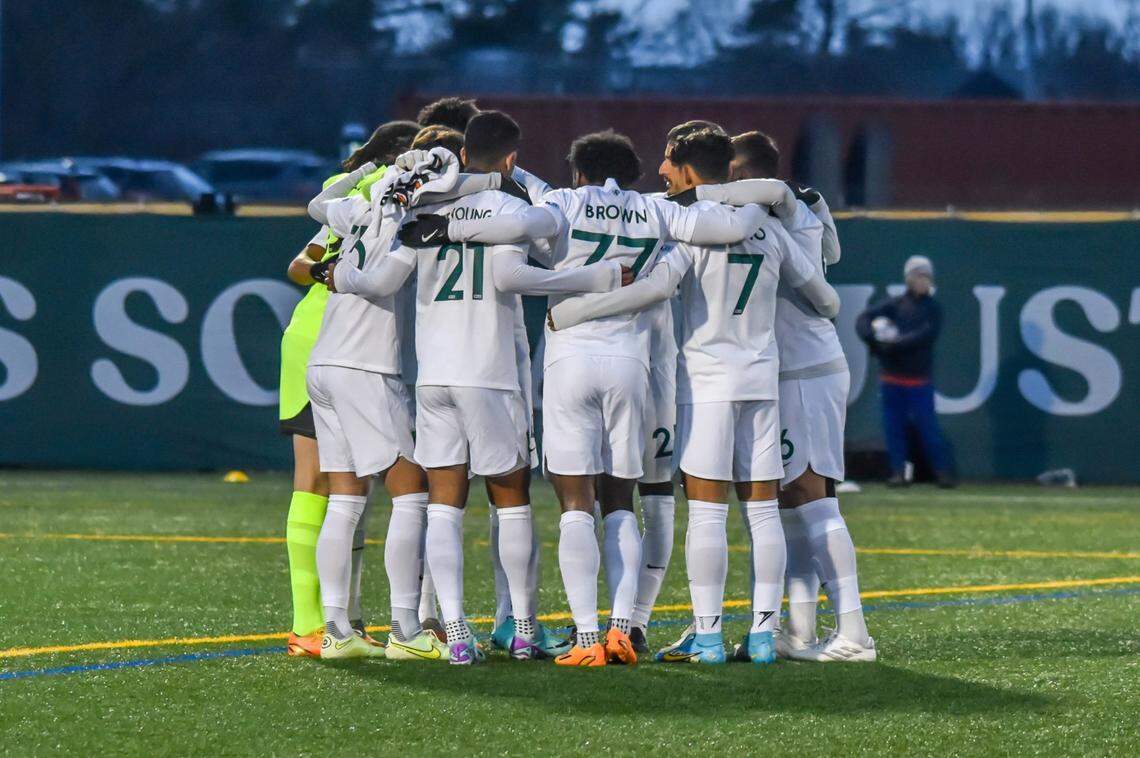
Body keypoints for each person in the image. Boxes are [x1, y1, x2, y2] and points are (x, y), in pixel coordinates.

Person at [421, 129, 769, 667]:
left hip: (569, 358)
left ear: (578, 172)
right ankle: (621, 630)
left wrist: (450, 219)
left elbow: (522, 218)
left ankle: (585, 640)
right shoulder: (655, 211)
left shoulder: (562, 202)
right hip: (631, 361)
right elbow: (725, 225)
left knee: (575, 506)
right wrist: (772, 194)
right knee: (621, 503)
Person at [334, 114, 627, 664]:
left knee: (444, 503)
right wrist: (594, 277)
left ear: (464, 152)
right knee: (510, 500)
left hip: (435, 373)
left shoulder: (425, 205)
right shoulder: (509, 206)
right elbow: (522, 266)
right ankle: (519, 628)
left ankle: (455, 630)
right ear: (512, 158)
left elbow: (362, 246)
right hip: (490, 371)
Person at [547, 129, 839, 665]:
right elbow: (827, 298)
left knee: (707, 515)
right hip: (761, 381)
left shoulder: (691, 235)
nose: (662, 170)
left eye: (668, 162)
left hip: (705, 384)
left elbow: (651, 290)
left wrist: (574, 311)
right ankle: (761, 635)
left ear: (686, 170)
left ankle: (707, 637)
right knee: (763, 513)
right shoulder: (771, 232)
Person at [698, 129, 875, 662]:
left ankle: (854, 633)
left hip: (805, 369)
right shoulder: (799, 208)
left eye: (726, 174)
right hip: (786, 370)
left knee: (812, 493)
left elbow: (813, 239)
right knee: (785, 499)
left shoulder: (786, 207)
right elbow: (834, 250)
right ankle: (796, 630)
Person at [277, 120, 419, 658]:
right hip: (338, 339)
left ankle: (331, 623)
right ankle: (316, 624)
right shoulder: (390, 194)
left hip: (317, 336)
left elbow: (298, 265)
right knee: (328, 483)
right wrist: (339, 277)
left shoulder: (358, 192)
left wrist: (328, 271)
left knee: (334, 485)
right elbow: (308, 267)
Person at [857, 255, 955, 488]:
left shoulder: (933, 309)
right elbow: (864, 319)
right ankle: (898, 472)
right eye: (919, 276)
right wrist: (874, 341)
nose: (923, 281)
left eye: (926, 277)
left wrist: (894, 343)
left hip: (919, 381)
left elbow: (925, 335)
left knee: (928, 428)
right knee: (894, 429)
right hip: (892, 379)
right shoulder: (896, 304)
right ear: (909, 279)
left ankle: (941, 472)